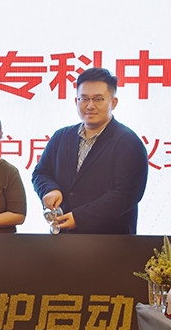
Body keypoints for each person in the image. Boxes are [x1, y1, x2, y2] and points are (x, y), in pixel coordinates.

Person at [32, 67, 148, 234]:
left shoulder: (129, 142)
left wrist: (80, 218)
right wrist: (50, 189)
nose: (90, 105)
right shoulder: (61, 137)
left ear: (113, 102)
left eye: (98, 99)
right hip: (63, 239)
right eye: (84, 99)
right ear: (76, 101)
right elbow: (41, 172)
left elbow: (127, 194)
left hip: (110, 241)